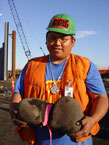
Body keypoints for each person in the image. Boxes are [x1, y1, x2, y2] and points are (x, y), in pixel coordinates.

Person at [10, 14, 108, 145]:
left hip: (76, 140)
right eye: (53, 38)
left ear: (73, 42)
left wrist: (93, 119)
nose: (57, 43)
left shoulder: (85, 65)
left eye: (63, 39)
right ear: (46, 40)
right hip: (39, 140)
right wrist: (15, 111)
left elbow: (101, 98)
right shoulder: (32, 66)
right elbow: (18, 93)